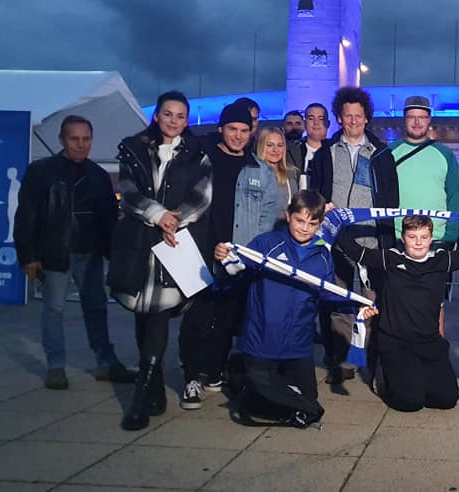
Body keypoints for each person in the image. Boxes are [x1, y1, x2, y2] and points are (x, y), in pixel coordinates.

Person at [109, 91, 213, 431]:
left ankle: (141, 395)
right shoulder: (133, 148)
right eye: (168, 114)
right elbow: (128, 190)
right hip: (141, 238)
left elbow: (202, 196)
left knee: (156, 312)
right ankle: (154, 390)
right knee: (143, 313)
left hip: (174, 241)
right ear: (157, 115)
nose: (173, 121)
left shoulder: (198, 153)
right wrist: (158, 215)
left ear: (187, 119)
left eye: (180, 116)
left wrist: (174, 219)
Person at [13, 115, 135, 390]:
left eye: (86, 139)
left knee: (96, 308)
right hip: (53, 253)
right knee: (53, 309)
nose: (81, 145)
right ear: (62, 140)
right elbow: (26, 216)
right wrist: (28, 256)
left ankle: (105, 361)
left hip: (89, 253)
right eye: (74, 139)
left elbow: (107, 219)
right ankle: (56, 366)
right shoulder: (40, 171)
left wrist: (113, 256)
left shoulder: (99, 176)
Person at [214, 190, 350, 427]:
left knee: (304, 400)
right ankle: (241, 371)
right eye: (299, 220)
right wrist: (223, 259)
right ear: (288, 216)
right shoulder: (266, 243)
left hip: (297, 343)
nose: (304, 228)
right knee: (260, 401)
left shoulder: (323, 256)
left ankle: (264, 385)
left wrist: (358, 307)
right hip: (262, 339)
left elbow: (328, 295)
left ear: (319, 225)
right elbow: (234, 271)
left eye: (312, 223)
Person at [178, 102, 281, 410]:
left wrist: (249, 254)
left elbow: (267, 218)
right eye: (232, 129)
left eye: (244, 131)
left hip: (238, 259)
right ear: (221, 129)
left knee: (228, 318)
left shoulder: (259, 171)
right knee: (198, 317)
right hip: (199, 254)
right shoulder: (200, 162)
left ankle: (214, 371)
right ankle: (192, 376)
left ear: (251, 133)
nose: (238, 136)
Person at [337, 215, 459, 411]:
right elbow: (354, 251)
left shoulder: (442, 260)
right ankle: (385, 375)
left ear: (431, 238)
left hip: (428, 341)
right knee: (410, 402)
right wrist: (334, 219)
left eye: (424, 236)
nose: (418, 242)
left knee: (447, 400)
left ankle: (416, 375)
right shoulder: (391, 258)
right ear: (403, 238)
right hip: (396, 341)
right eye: (412, 237)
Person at [311, 86, 399, 385]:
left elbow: (391, 199)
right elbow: (315, 193)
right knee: (339, 301)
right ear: (339, 117)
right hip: (336, 240)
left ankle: (372, 360)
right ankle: (341, 359)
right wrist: (324, 206)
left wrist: (389, 240)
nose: (353, 121)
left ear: (367, 119)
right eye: (347, 116)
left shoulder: (382, 154)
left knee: (371, 302)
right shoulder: (325, 152)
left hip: (371, 241)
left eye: (358, 116)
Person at [390, 95, 459, 248]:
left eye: (422, 117)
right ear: (404, 119)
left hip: (437, 239)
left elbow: (456, 196)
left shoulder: (445, 154)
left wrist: (450, 235)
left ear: (429, 119)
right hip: (398, 238)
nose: (417, 122)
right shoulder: (389, 153)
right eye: (412, 117)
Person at [257, 126, 300, 221]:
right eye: (270, 145)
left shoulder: (291, 173)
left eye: (280, 145)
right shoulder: (253, 174)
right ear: (261, 146)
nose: (275, 150)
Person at [287, 102, 330, 190]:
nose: (316, 123)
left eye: (321, 119)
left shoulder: (335, 151)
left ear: (328, 123)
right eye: (311, 118)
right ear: (305, 123)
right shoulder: (289, 151)